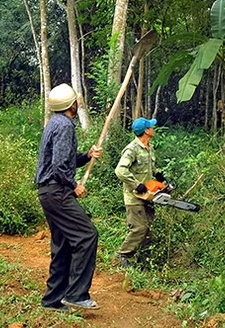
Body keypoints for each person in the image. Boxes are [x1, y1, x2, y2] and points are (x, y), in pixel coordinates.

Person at [34, 83, 102, 312]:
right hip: (57, 191)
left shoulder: (55, 123)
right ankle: (76, 294)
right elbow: (59, 166)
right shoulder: (64, 126)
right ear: (72, 105)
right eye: (76, 100)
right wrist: (74, 186)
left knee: (62, 245)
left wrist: (87, 156)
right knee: (87, 235)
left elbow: (64, 158)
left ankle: (52, 300)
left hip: (48, 192)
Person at [114, 116, 164, 268]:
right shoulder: (132, 149)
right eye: (150, 127)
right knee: (139, 228)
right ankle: (122, 255)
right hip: (134, 197)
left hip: (148, 195)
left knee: (149, 228)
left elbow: (149, 168)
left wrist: (158, 175)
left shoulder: (149, 148)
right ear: (146, 131)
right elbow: (120, 170)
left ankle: (144, 260)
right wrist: (136, 184)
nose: (152, 129)